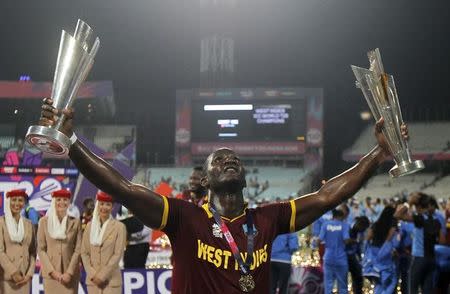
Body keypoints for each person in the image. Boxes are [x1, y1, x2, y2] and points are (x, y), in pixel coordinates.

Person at [38, 98, 409, 293]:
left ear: (245, 176)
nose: (229, 161)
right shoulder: (183, 217)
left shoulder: (269, 218)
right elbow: (121, 186)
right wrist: (70, 143)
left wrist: (378, 154)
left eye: (235, 159)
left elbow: (327, 195)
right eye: (220, 161)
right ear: (208, 177)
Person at [394, 192, 444, 294]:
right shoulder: (437, 219)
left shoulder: (419, 218)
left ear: (419, 207)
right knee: (427, 290)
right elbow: (442, 240)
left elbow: (397, 215)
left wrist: (409, 202)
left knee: (412, 289)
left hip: (419, 258)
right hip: (432, 259)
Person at [37, 189, 82, 293]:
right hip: (50, 275)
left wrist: (69, 273)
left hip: (70, 275)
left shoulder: (75, 222)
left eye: (65, 200)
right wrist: (52, 272)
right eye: (58, 199)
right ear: (53, 201)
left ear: (69, 202)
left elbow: (78, 249)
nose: (62, 202)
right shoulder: (44, 222)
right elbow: (41, 249)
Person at [81, 191, 126, 294]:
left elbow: (118, 254)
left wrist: (102, 276)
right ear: (97, 205)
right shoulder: (89, 226)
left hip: (111, 281)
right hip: (92, 282)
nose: (104, 207)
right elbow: (84, 253)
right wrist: (92, 275)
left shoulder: (119, 227)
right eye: (101, 204)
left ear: (112, 207)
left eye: (108, 204)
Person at [0, 189, 36, 294]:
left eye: (20, 200)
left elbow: (33, 251)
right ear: (8, 202)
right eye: (14, 200)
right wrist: (13, 272)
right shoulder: (1, 222)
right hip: (6, 278)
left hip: (24, 278)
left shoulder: (29, 224)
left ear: (24, 203)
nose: (17, 203)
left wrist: (30, 273)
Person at [363, 206, 399, 294]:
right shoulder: (392, 225)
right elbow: (389, 238)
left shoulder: (376, 224)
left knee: (378, 281)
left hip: (374, 254)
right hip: (385, 253)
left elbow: (368, 237)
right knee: (390, 281)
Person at [319, 209, 351, 294]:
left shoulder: (325, 225)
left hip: (328, 257)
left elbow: (319, 240)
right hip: (341, 258)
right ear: (341, 216)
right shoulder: (344, 225)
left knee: (328, 285)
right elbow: (346, 240)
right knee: (343, 286)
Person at [346, 216, 370, 294]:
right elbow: (345, 242)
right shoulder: (348, 228)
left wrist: (360, 258)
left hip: (353, 256)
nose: (363, 230)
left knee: (358, 277)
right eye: (363, 228)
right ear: (360, 224)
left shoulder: (359, 232)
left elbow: (358, 247)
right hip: (345, 256)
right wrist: (354, 241)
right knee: (357, 276)